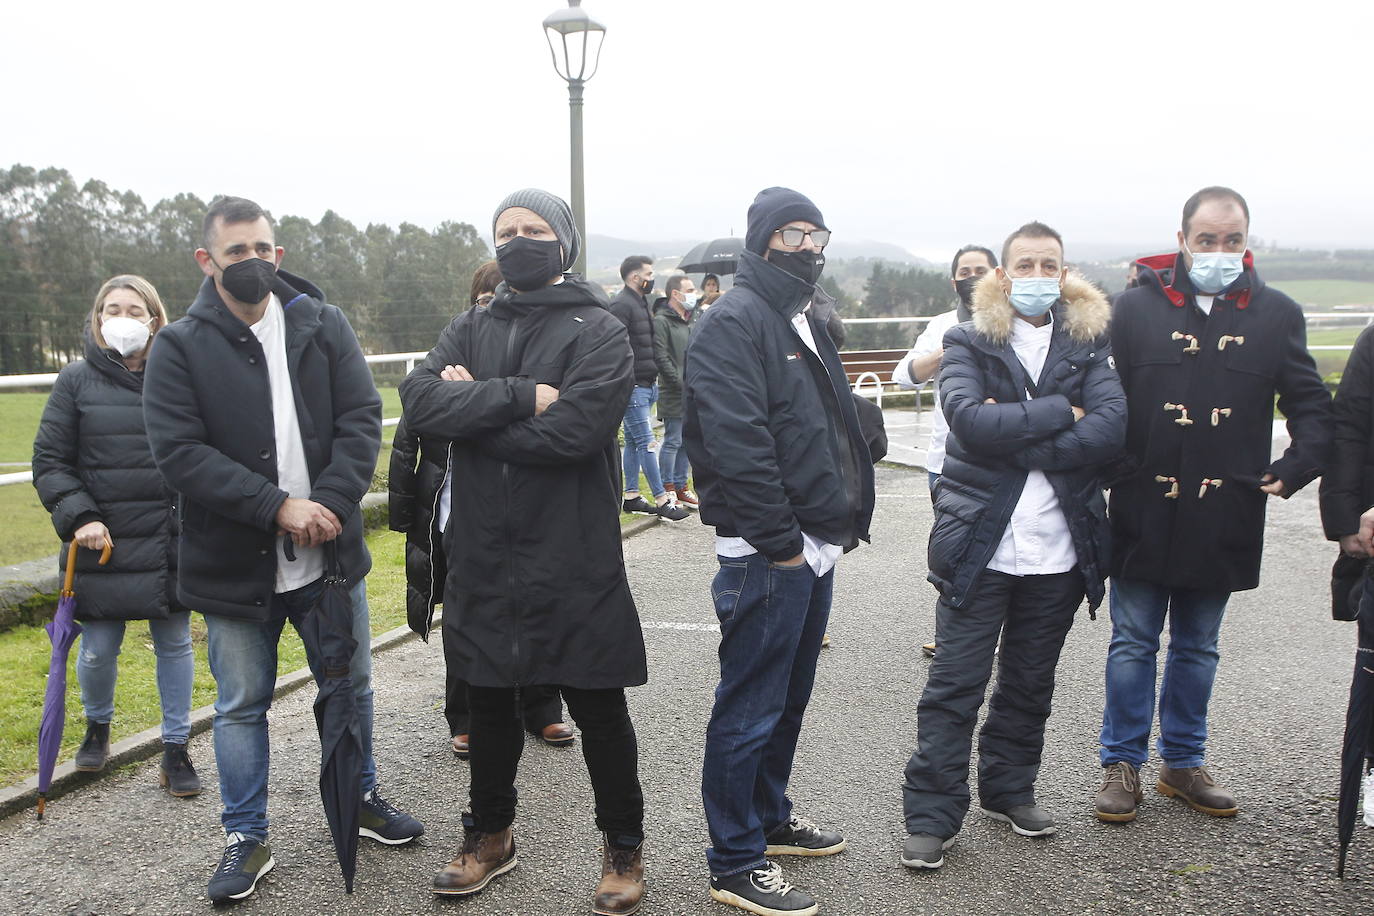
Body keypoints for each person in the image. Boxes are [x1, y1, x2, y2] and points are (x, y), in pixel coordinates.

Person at [142, 196, 424, 903]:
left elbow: (362, 417)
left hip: (330, 558)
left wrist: (329, 502)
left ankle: (358, 797)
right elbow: (179, 455)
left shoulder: (321, 325)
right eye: (237, 252)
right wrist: (276, 507)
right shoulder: (179, 346)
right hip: (235, 568)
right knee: (241, 704)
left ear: (280, 255)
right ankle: (246, 835)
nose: (253, 262)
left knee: (352, 684)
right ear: (207, 262)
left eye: (263, 249)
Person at [399, 189, 647, 914]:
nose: (520, 241)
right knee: (490, 702)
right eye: (507, 231)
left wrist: (473, 411)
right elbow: (420, 403)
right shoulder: (471, 324)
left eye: (535, 229)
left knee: (599, 707)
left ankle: (623, 847)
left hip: (573, 552)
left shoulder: (598, 328)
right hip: (483, 548)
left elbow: (576, 434)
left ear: (562, 242)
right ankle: (490, 835)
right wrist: (518, 396)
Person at [1096, 187, 1331, 823]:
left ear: (1246, 241)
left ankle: (1183, 762)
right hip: (1144, 503)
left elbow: (1311, 406)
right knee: (1133, 640)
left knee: (1199, 644)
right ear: (1183, 240)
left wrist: (1296, 467)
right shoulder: (1132, 310)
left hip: (1224, 509)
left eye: (1232, 240)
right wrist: (1112, 467)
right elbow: (1097, 397)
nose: (1220, 251)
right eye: (1207, 240)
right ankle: (1121, 763)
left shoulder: (1276, 313)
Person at [901, 222, 1125, 870]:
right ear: (1001, 274)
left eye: (1047, 263)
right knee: (954, 685)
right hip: (981, 546)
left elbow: (1111, 430)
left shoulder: (1088, 342)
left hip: (1059, 550)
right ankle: (932, 815)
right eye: (1023, 262)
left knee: (1030, 682)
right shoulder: (968, 338)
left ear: (1064, 273)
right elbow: (969, 422)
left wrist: (1017, 435)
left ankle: (1009, 790)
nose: (1035, 272)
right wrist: (1063, 412)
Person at [685, 187, 876, 916]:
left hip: (812, 544)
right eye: (794, 232)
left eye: (817, 232)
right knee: (749, 707)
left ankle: (768, 819)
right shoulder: (734, 321)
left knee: (786, 700)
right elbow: (740, 447)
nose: (809, 245)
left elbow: (821, 420)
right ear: (763, 239)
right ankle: (734, 860)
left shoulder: (799, 316)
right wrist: (782, 547)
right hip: (772, 551)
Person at [388, 260, 573, 757]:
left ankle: (542, 708)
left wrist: (471, 397)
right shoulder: (455, 346)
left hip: (523, 509)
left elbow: (546, 418)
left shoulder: (541, 354)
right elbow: (420, 421)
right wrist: (495, 400)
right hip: (453, 510)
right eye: (487, 301)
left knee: (535, 606)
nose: (497, 310)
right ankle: (464, 713)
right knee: (464, 616)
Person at [32, 274, 200, 798]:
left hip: (169, 537)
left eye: (132, 308)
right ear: (97, 318)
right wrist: (79, 516)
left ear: (154, 320)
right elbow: (51, 462)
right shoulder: (75, 381)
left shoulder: (180, 379)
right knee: (99, 650)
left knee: (174, 644)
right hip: (100, 545)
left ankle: (176, 748)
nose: (120, 317)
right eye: (111, 308)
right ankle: (97, 726)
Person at [893, 244, 999, 658]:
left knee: (1001, 556)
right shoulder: (940, 325)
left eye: (981, 269)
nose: (972, 277)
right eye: (964, 271)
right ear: (953, 280)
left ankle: (993, 636)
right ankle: (952, 638)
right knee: (952, 555)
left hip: (1006, 461)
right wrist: (948, 350)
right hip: (948, 464)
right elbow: (904, 375)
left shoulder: (1018, 323)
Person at [609, 255, 688, 522]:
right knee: (647, 442)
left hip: (646, 384)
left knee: (632, 442)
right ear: (634, 277)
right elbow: (617, 347)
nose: (652, 278)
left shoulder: (640, 302)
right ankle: (663, 499)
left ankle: (631, 496)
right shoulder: (621, 304)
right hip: (632, 386)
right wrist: (628, 379)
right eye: (649, 273)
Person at [652, 274, 699, 509]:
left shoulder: (688, 321)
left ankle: (682, 486)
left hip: (691, 388)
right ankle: (667, 486)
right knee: (672, 440)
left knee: (685, 442)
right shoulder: (662, 321)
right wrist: (678, 382)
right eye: (689, 289)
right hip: (673, 390)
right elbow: (661, 356)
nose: (694, 293)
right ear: (676, 294)